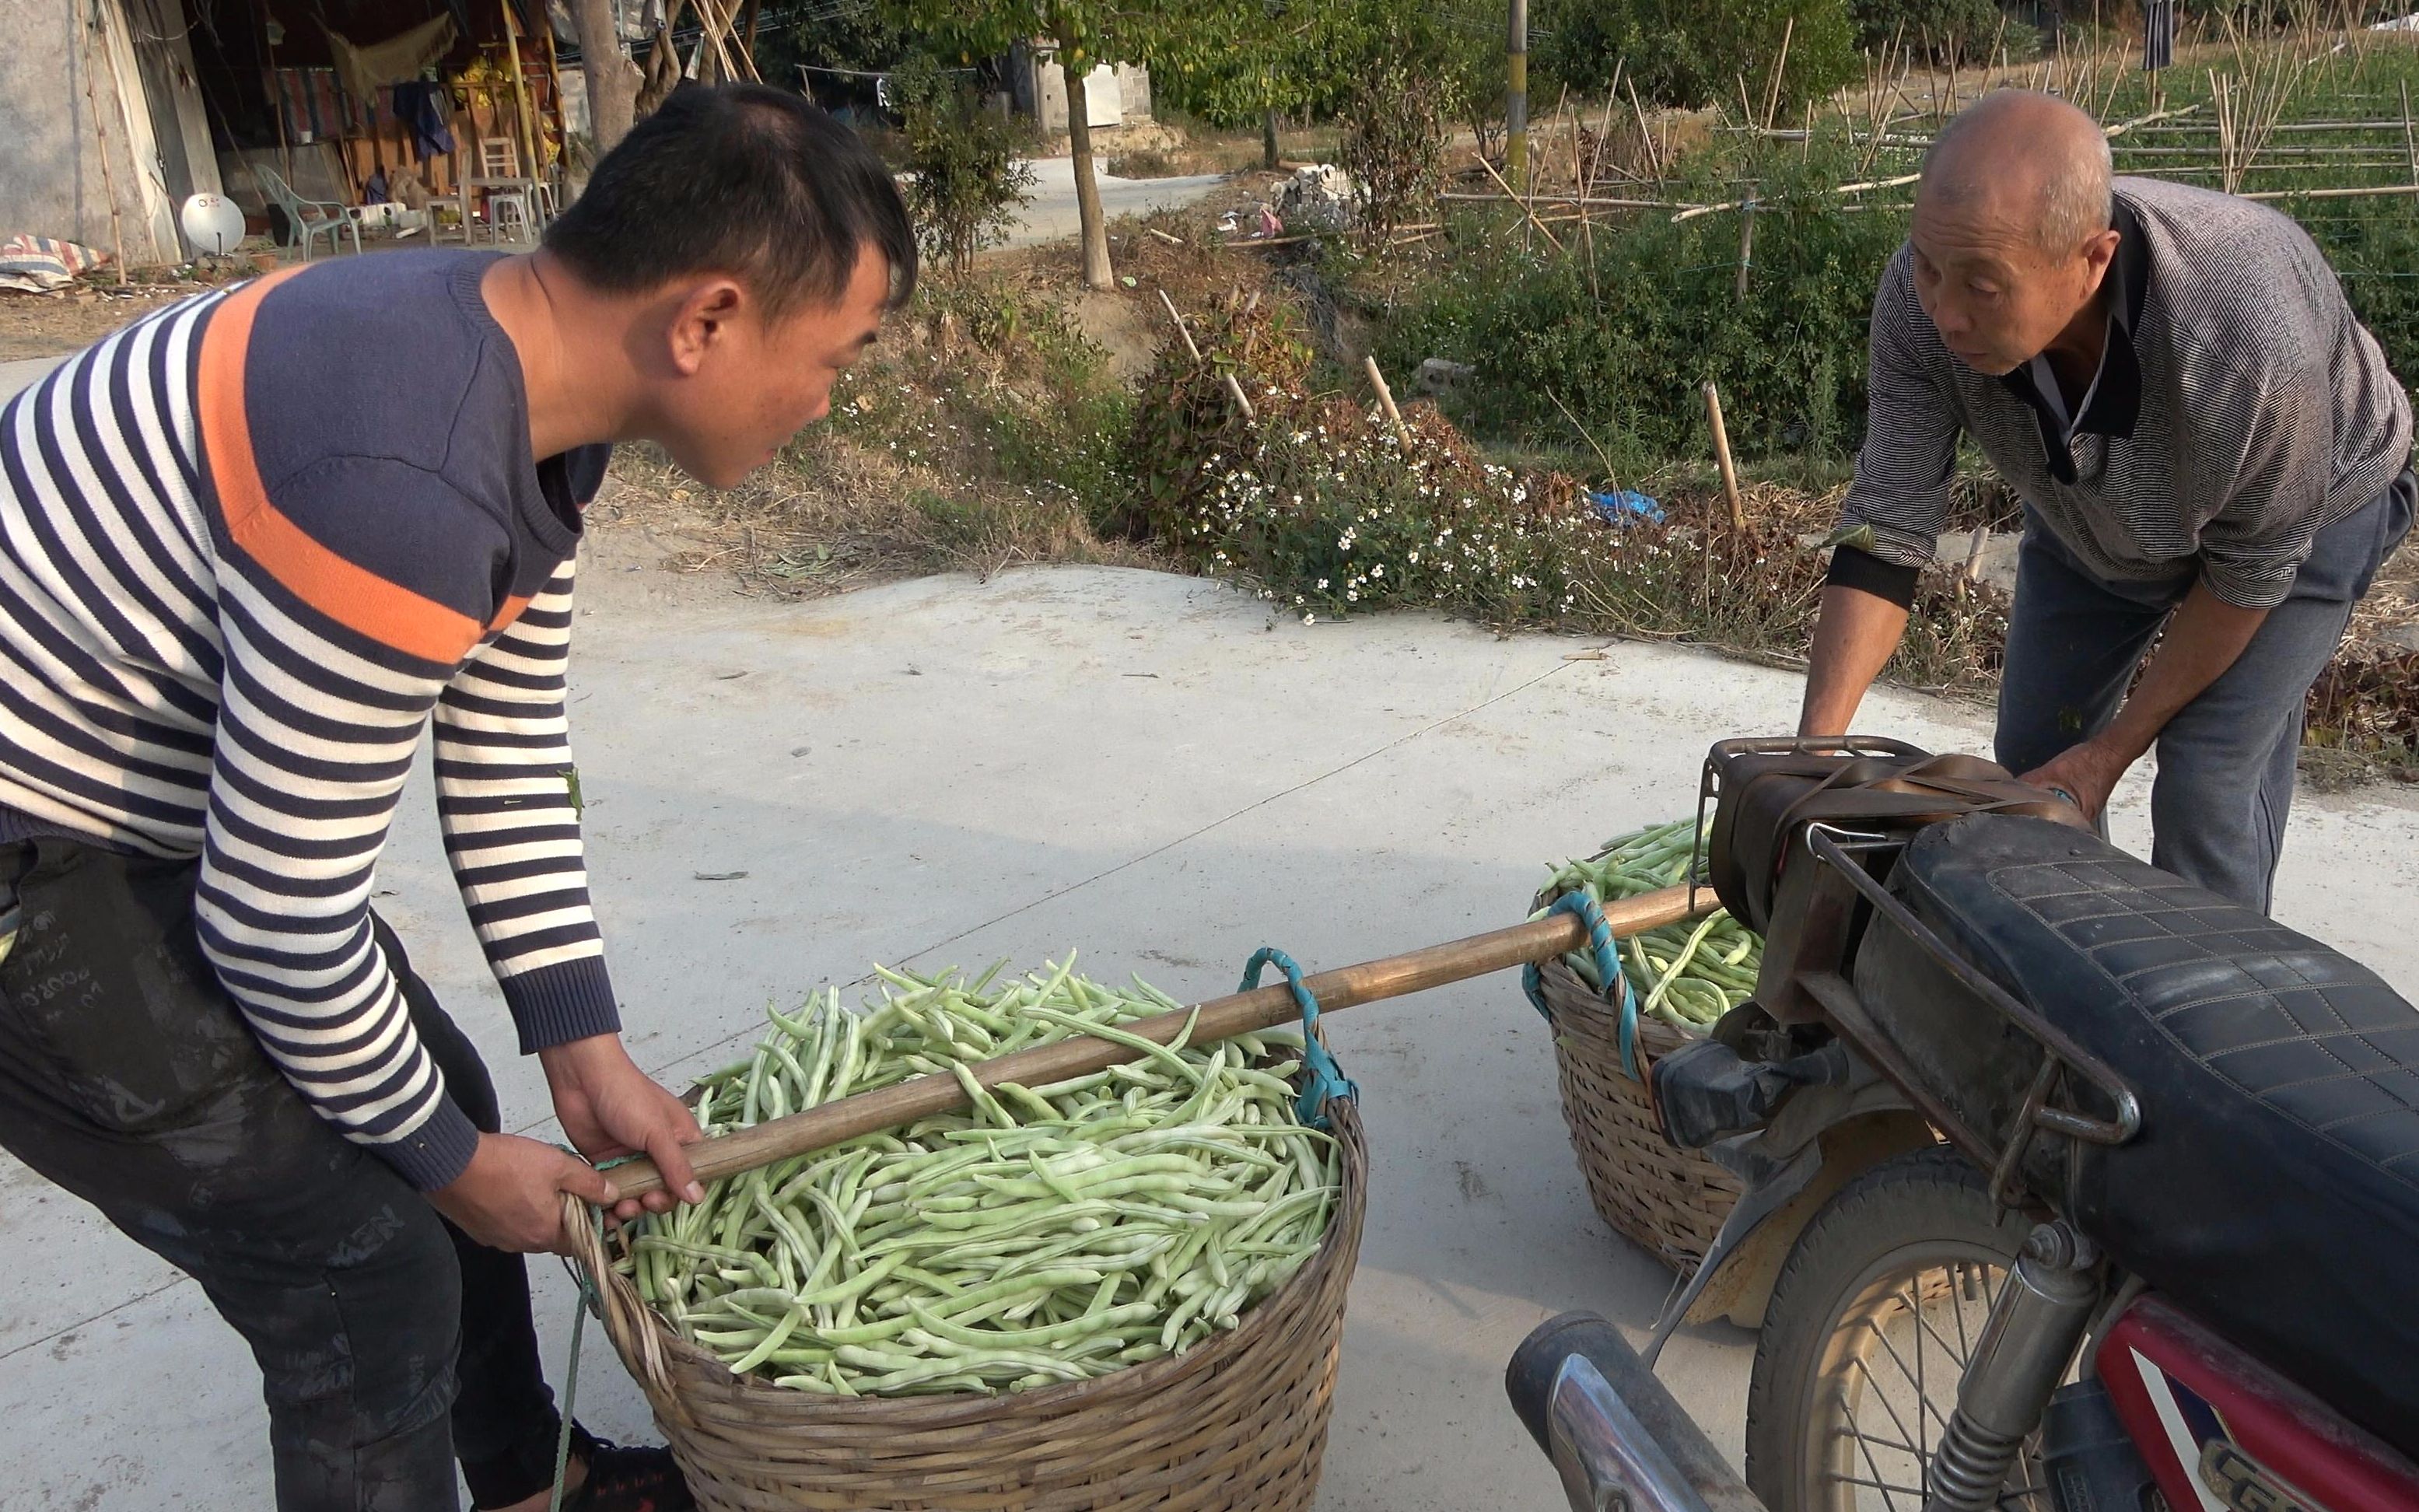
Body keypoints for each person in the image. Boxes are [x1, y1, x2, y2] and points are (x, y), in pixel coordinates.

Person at [0, 82, 914, 1510]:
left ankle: (523, 1481)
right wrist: (443, 1162)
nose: (829, 396)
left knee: (452, 1095)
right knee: (362, 1262)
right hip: (32, 862)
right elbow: (278, 922)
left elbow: (497, 744)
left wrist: (581, 1044)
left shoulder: (516, 375)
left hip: (130, 813)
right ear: (708, 319)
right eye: (838, 355)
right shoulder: (401, 477)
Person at [1800, 89, 2413, 912]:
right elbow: (1888, 526)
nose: (1943, 310)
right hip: (2097, 515)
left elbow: (2252, 565)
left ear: (2091, 261)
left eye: (1982, 286)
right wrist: (1809, 767)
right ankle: (2074, 981)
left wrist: (2112, 751)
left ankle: (2206, 1018)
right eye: (1927, 265)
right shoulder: (1922, 305)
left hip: (2310, 507)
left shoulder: (2241, 336)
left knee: (2205, 782)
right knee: (2030, 769)